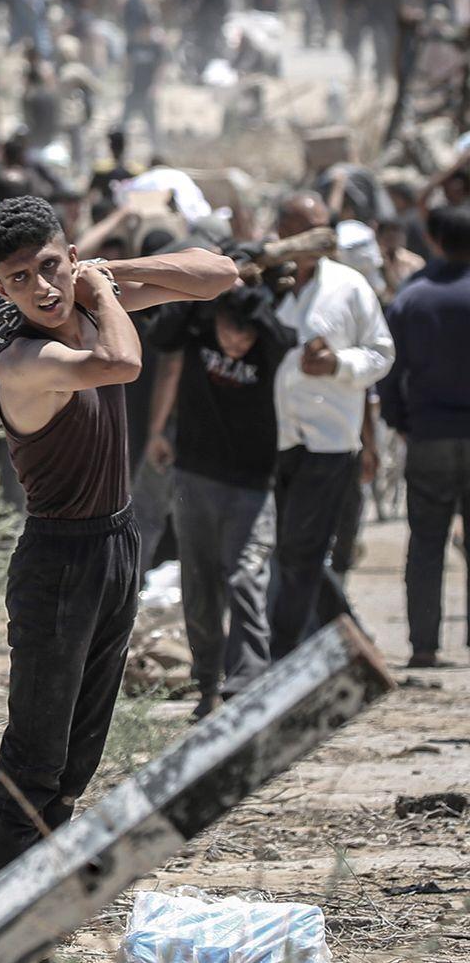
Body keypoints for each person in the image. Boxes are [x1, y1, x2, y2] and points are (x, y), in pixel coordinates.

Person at [0, 196, 238, 890]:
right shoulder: (27, 357)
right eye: (21, 279)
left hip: (116, 547)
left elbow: (219, 275)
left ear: (71, 256)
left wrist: (107, 271)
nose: (43, 289)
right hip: (59, 561)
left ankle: (34, 910)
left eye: (51, 267)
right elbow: (122, 361)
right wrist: (105, 290)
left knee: (77, 759)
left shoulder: (87, 297)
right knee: (35, 758)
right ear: (1, 290)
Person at [145, 283, 295, 718]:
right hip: (195, 476)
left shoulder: (267, 344)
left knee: (246, 577)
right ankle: (208, 683)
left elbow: (285, 338)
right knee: (200, 586)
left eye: (246, 338)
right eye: (231, 334)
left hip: (251, 483)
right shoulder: (195, 327)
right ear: (216, 321)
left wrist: (252, 295)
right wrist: (203, 291)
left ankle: (248, 685)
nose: (236, 345)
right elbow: (160, 337)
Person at [266, 192, 395, 658]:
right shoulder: (265, 283)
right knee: (288, 549)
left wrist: (338, 364)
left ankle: (283, 654)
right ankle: (349, 636)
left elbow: (382, 353)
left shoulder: (350, 286)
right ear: (283, 233)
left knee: (301, 550)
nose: (322, 237)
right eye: (308, 228)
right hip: (272, 439)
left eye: (326, 228)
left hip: (329, 441)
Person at [380, 204, 470, 668]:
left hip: (429, 435)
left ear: (433, 240)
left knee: (427, 542)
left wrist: (400, 421)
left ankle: (424, 646)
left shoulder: (413, 297)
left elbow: (389, 372)